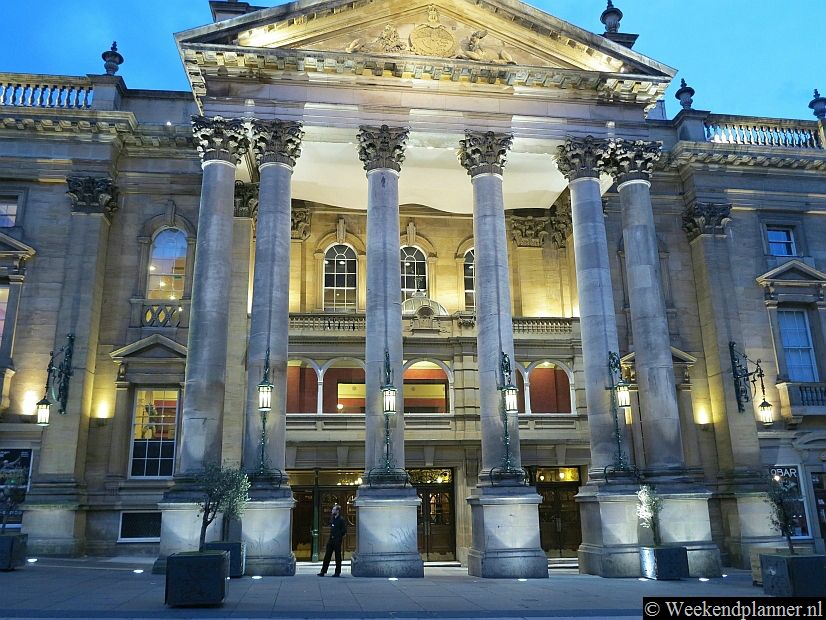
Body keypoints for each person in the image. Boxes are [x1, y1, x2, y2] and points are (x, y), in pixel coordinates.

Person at [317, 503, 347, 577]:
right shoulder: (332, 518)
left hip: (337, 540)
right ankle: (323, 571)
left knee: (337, 556)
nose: (332, 511)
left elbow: (344, 530)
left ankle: (337, 572)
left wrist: (338, 536)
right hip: (331, 540)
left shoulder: (341, 520)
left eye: (333, 509)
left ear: (337, 511)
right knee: (327, 556)